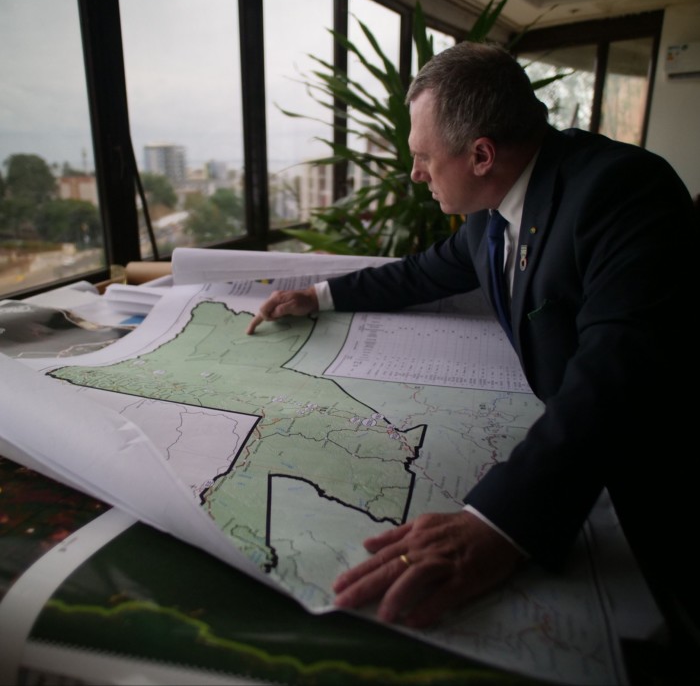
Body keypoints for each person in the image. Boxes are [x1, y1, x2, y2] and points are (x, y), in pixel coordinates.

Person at [247, 42, 699, 650]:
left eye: (423, 158)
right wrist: (319, 296)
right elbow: (423, 272)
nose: (414, 175)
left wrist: (501, 523)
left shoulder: (622, 193)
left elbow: (618, 370)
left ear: (481, 155)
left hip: (659, 487)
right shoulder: (491, 212)